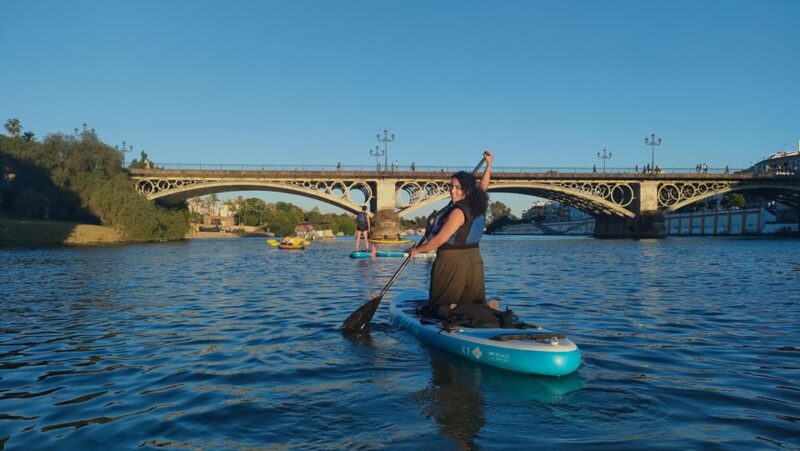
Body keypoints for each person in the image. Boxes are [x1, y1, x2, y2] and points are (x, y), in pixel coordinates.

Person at [408, 150, 493, 318]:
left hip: (452, 262)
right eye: (451, 186)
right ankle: (483, 310)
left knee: (437, 306)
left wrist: (417, 251)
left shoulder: (457, 212)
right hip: (474, 260)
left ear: (467, 191)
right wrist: (489, 166)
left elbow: (440, 239)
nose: (452, 191)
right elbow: (483, 187)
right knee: (471, 301)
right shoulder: (479, 205)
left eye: (457, 188)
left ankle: (451, 309)